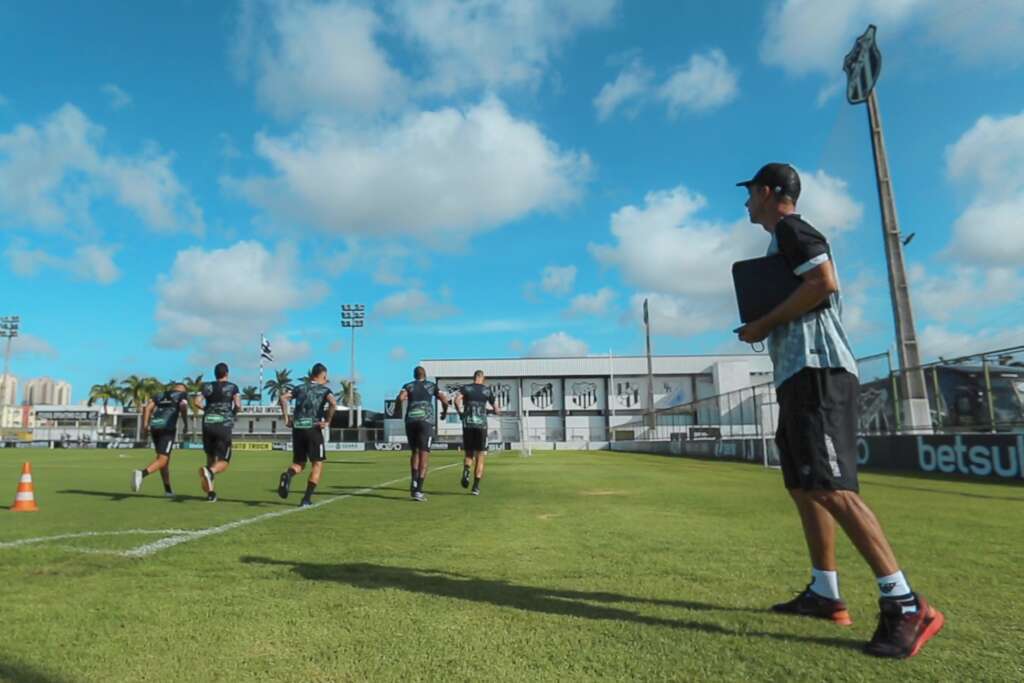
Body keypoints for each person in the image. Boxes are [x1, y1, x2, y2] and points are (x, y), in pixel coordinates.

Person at [735, 163, 943, 659]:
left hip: (820, 373)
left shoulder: (791, 228)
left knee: (831, 486)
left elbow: (824, 281)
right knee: (805, 486)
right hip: (797, 376)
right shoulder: (778, 242)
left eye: (749, 195)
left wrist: (763, 323)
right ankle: (825, 592)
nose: (745, 204)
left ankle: (906, 604)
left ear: (768, 193)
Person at [278, 363, 338, 507]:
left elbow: (283, 398)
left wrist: (286, 419)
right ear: (323, 375)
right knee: (317, 464)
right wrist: (327, 421)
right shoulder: (324, 390)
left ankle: (288, 475)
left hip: (298, 428)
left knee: (299, 463)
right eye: (326, 377)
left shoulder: (299, 388)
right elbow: (333, 404)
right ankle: (306, 499)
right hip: (313, 429)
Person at [395, 366, 449, 501]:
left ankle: (413, 481)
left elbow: (401, 398)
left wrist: (398, 410)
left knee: (415, 452)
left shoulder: (408, 386)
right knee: (424, 453)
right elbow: (444, 399)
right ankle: (418, 489)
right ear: (425, 375)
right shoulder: (431, 386)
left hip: (411, 421)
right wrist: (445, 412)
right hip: (425, 422)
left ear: (414, 375)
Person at [193, 362, 241, 503]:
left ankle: (211, 493)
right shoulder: (233, 387)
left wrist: (206, 410)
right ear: (227, 373)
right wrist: (233, 413)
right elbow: (238, 405)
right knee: (224, 461)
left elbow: (196, 402)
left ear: (215, 374)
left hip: (207, 423)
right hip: (223, 425)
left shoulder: (207, 386)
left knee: (210, 457)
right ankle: (210, 472)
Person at [132, 383, 189, 497]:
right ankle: (141, 474)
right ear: (182, 389)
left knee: (163, 460)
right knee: (163, 460)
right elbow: (183, 406)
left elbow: (148, 407)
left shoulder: (160, 395)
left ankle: (168, 490)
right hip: (167, 428)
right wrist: (185, 423)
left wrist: (145, 425)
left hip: (155, 427)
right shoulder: (182, 395)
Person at [454, 370, 500, 495]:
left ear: (474, 377)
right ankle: (475, 487)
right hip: (481, 426)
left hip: (468, 424)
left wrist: (460, 413)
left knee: (469, 453)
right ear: (482, 378)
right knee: (480, 455)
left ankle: (466, 470)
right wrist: (493, 411)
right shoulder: (486, 390)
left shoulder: (466, 388)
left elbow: (457, 400)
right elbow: (496, 409)